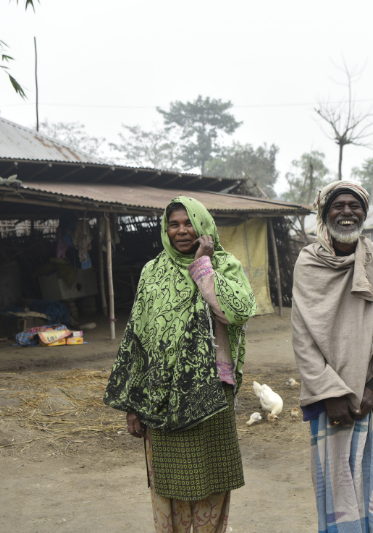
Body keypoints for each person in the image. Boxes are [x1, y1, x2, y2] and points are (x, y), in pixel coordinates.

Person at [104, 196, 257, 533]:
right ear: (165, 229)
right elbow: (138, 339)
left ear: (203, 226)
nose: (182, 230)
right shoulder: (152, 272)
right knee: (170, 482)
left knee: (213, 476)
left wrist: (203, 266)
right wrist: (133, 405)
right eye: (174, 224)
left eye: (189, 223)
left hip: (214, 392)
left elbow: (234, 312)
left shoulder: (225, 265)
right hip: (161, 396)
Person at [291, 181, 373, 533]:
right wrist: (330, 393)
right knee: (333, 488)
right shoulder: (308, 263)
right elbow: (303, 337)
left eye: (354, 206)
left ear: (364, 212)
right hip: (327, 397)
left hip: (368, 396)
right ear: (324, 212)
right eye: (338, 206)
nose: (347, 212)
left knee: (365, 483)